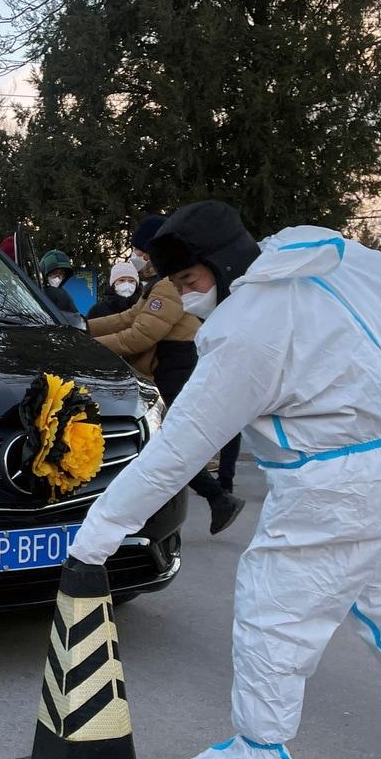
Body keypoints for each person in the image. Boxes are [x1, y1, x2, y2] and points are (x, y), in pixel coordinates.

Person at [67, 200, 381, 759]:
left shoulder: (249, 329)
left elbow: (176, 449)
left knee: (273, 613)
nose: (189, 296)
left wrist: (95, 537)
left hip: (343, 482)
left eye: (190, 281)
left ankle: (260, 757)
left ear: (223, 265)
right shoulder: (340, 260)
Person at [88, 218, 244, 534]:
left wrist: (87, 345)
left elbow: (139, 335)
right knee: (166, 440)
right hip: (169, 364)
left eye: (136, 249)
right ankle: (216, 497)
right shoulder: (158, 284)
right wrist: (82, 327)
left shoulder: (168, 286)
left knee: (166, 441)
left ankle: (217, 497)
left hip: (176, 365)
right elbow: (128, 317)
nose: (134, 255)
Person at [38, 250, 78, 314]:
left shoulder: (63, 295)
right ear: (44, 273)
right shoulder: (34, 292)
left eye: (62, 274)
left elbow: (75, 319)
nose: (58, 277)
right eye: (55, 273)